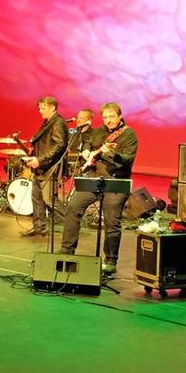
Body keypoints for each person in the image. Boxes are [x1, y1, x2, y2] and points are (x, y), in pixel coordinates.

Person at [58, 102, 138, 275]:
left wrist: (111, 153)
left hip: (116, 181)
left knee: (112, 221)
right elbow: (88, 143)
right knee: (73, 207)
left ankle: (110, 260)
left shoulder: (129, 134)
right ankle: (66, 250)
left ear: (120, 116)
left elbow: (128, 160)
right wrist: (87, 151)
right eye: (105, 117)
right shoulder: (99, 131)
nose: (108, 120)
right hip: (94, 178)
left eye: (112, 116)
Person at [21, 96, 68, 236]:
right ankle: (38, 227)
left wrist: (40, 159)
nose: (40, 111)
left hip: (50, 167)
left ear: (52, 108)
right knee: (36, 197)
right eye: (39, 108)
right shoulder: (48, 122)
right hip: (41, 166)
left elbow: (59, 145)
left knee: (50, 199)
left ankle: (72, 221)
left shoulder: (58, 123)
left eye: (43, 108)